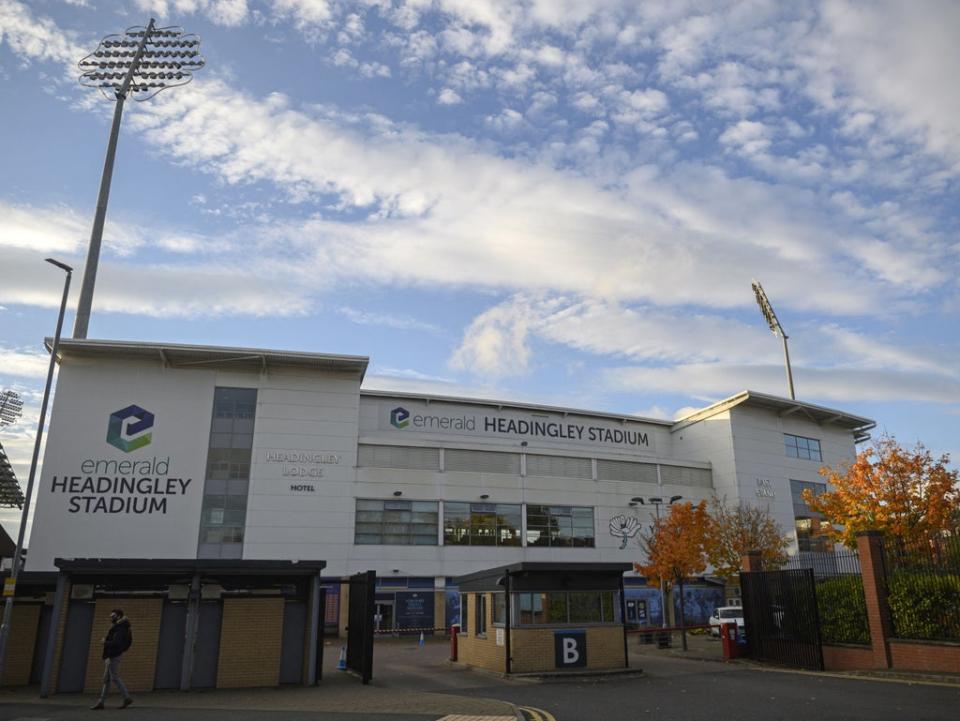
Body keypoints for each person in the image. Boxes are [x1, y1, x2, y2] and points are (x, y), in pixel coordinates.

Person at [90, 608, 133, 710]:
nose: (111, 618)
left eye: (113, 616)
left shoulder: (120, 628)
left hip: (113, 655)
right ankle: (101, 702)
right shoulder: (121, 627)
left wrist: (105, 642)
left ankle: (126, 697)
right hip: (113, 654)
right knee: (107, 679)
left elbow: (116, 643)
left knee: (113, 677)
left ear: (118, 616)